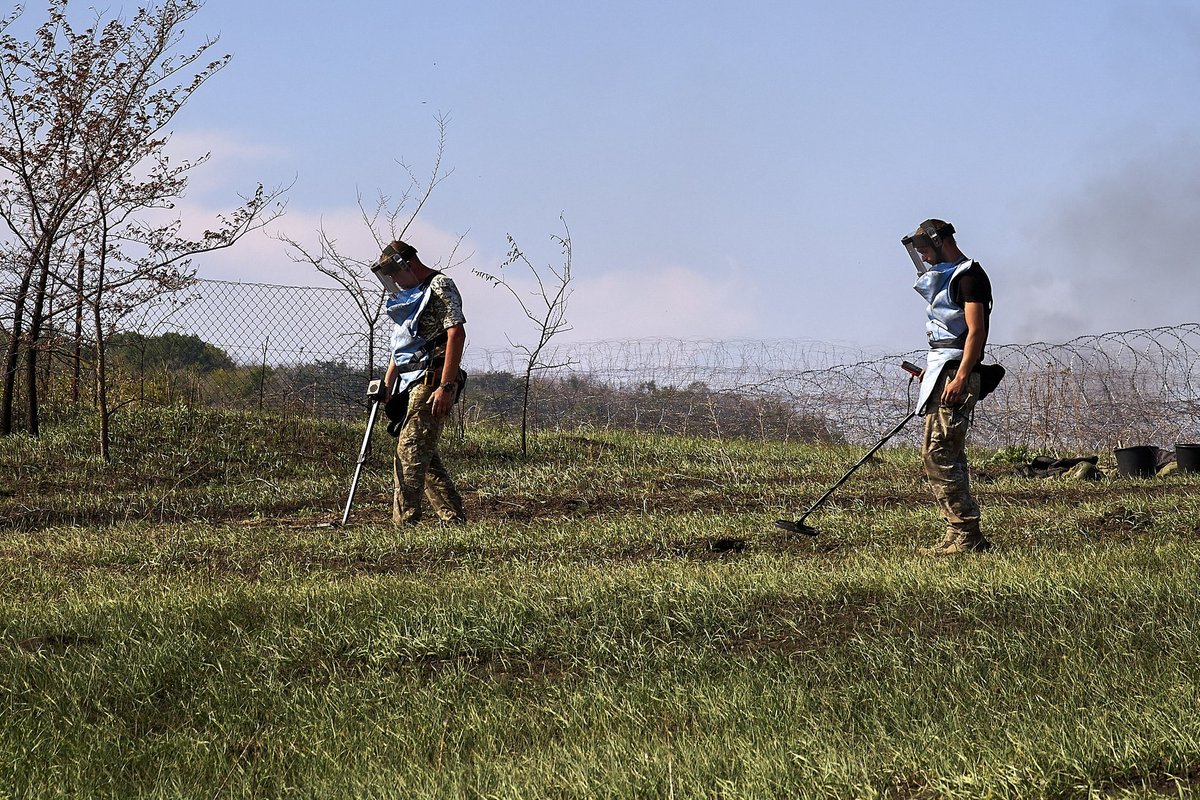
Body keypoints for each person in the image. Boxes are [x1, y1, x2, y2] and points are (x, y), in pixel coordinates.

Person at [902, 219, 993, 555]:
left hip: (958, 374)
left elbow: (975, 332)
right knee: (945, 454)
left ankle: (967, 534)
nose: (924, 258)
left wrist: (958, 376)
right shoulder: (948, 276)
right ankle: (960, 534)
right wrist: (935, 372)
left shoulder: (969, 276)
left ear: (941, 243)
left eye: (925, 250)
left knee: (938, 454)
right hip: (945, 370)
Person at [375, 240, 468, 525]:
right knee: (425, 455)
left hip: (433, 380)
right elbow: (403, 344)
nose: (393, 281)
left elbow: (456, 334)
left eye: (394, 274)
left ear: (408, 265)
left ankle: (405, 524)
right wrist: (388, 383)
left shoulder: (440, 286)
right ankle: (454, 520)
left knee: (410, 450)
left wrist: (447, 386)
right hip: (411, 381)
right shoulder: (410, 295)